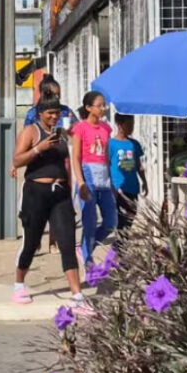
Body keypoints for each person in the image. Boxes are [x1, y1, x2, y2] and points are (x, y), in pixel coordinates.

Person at [11, 95, 85, 307]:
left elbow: (67, 163)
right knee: (32, 241)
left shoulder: (60, 134)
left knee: (67, 241)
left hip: (60, 192)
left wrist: (72, 189)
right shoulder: (31, 132)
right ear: (40, 113)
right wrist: (38, 149)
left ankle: (77, 295)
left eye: (57, 113)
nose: (54, 117)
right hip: (36, 192)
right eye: (50, 113)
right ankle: (18, 284)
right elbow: (16, 160)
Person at [71, 91, 117, 267]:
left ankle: (85, 247)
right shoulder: (80, 128)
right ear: (89, 108)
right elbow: (76, 157)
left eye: (104, 105)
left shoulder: (106, 129)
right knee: (89, 222)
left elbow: (106, 156)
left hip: (104, 178)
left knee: (110, 222)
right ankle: (87, 257)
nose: (103, 108)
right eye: (100, 105)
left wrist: (111, 181)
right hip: (87, 176)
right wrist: (81, 182)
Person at [109, 113, 148, 233]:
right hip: (119, 188)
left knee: (130, 218)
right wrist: (110, 186)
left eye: (133, 124)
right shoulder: (111, 144)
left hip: (133, 187)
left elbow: (138, 165)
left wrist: (144, 182)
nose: (132, 127)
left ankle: (119, 248)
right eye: (129, 124)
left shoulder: (134, 144)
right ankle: (118, 249)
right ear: (119, 125)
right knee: (121, 220)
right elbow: (107, 165)